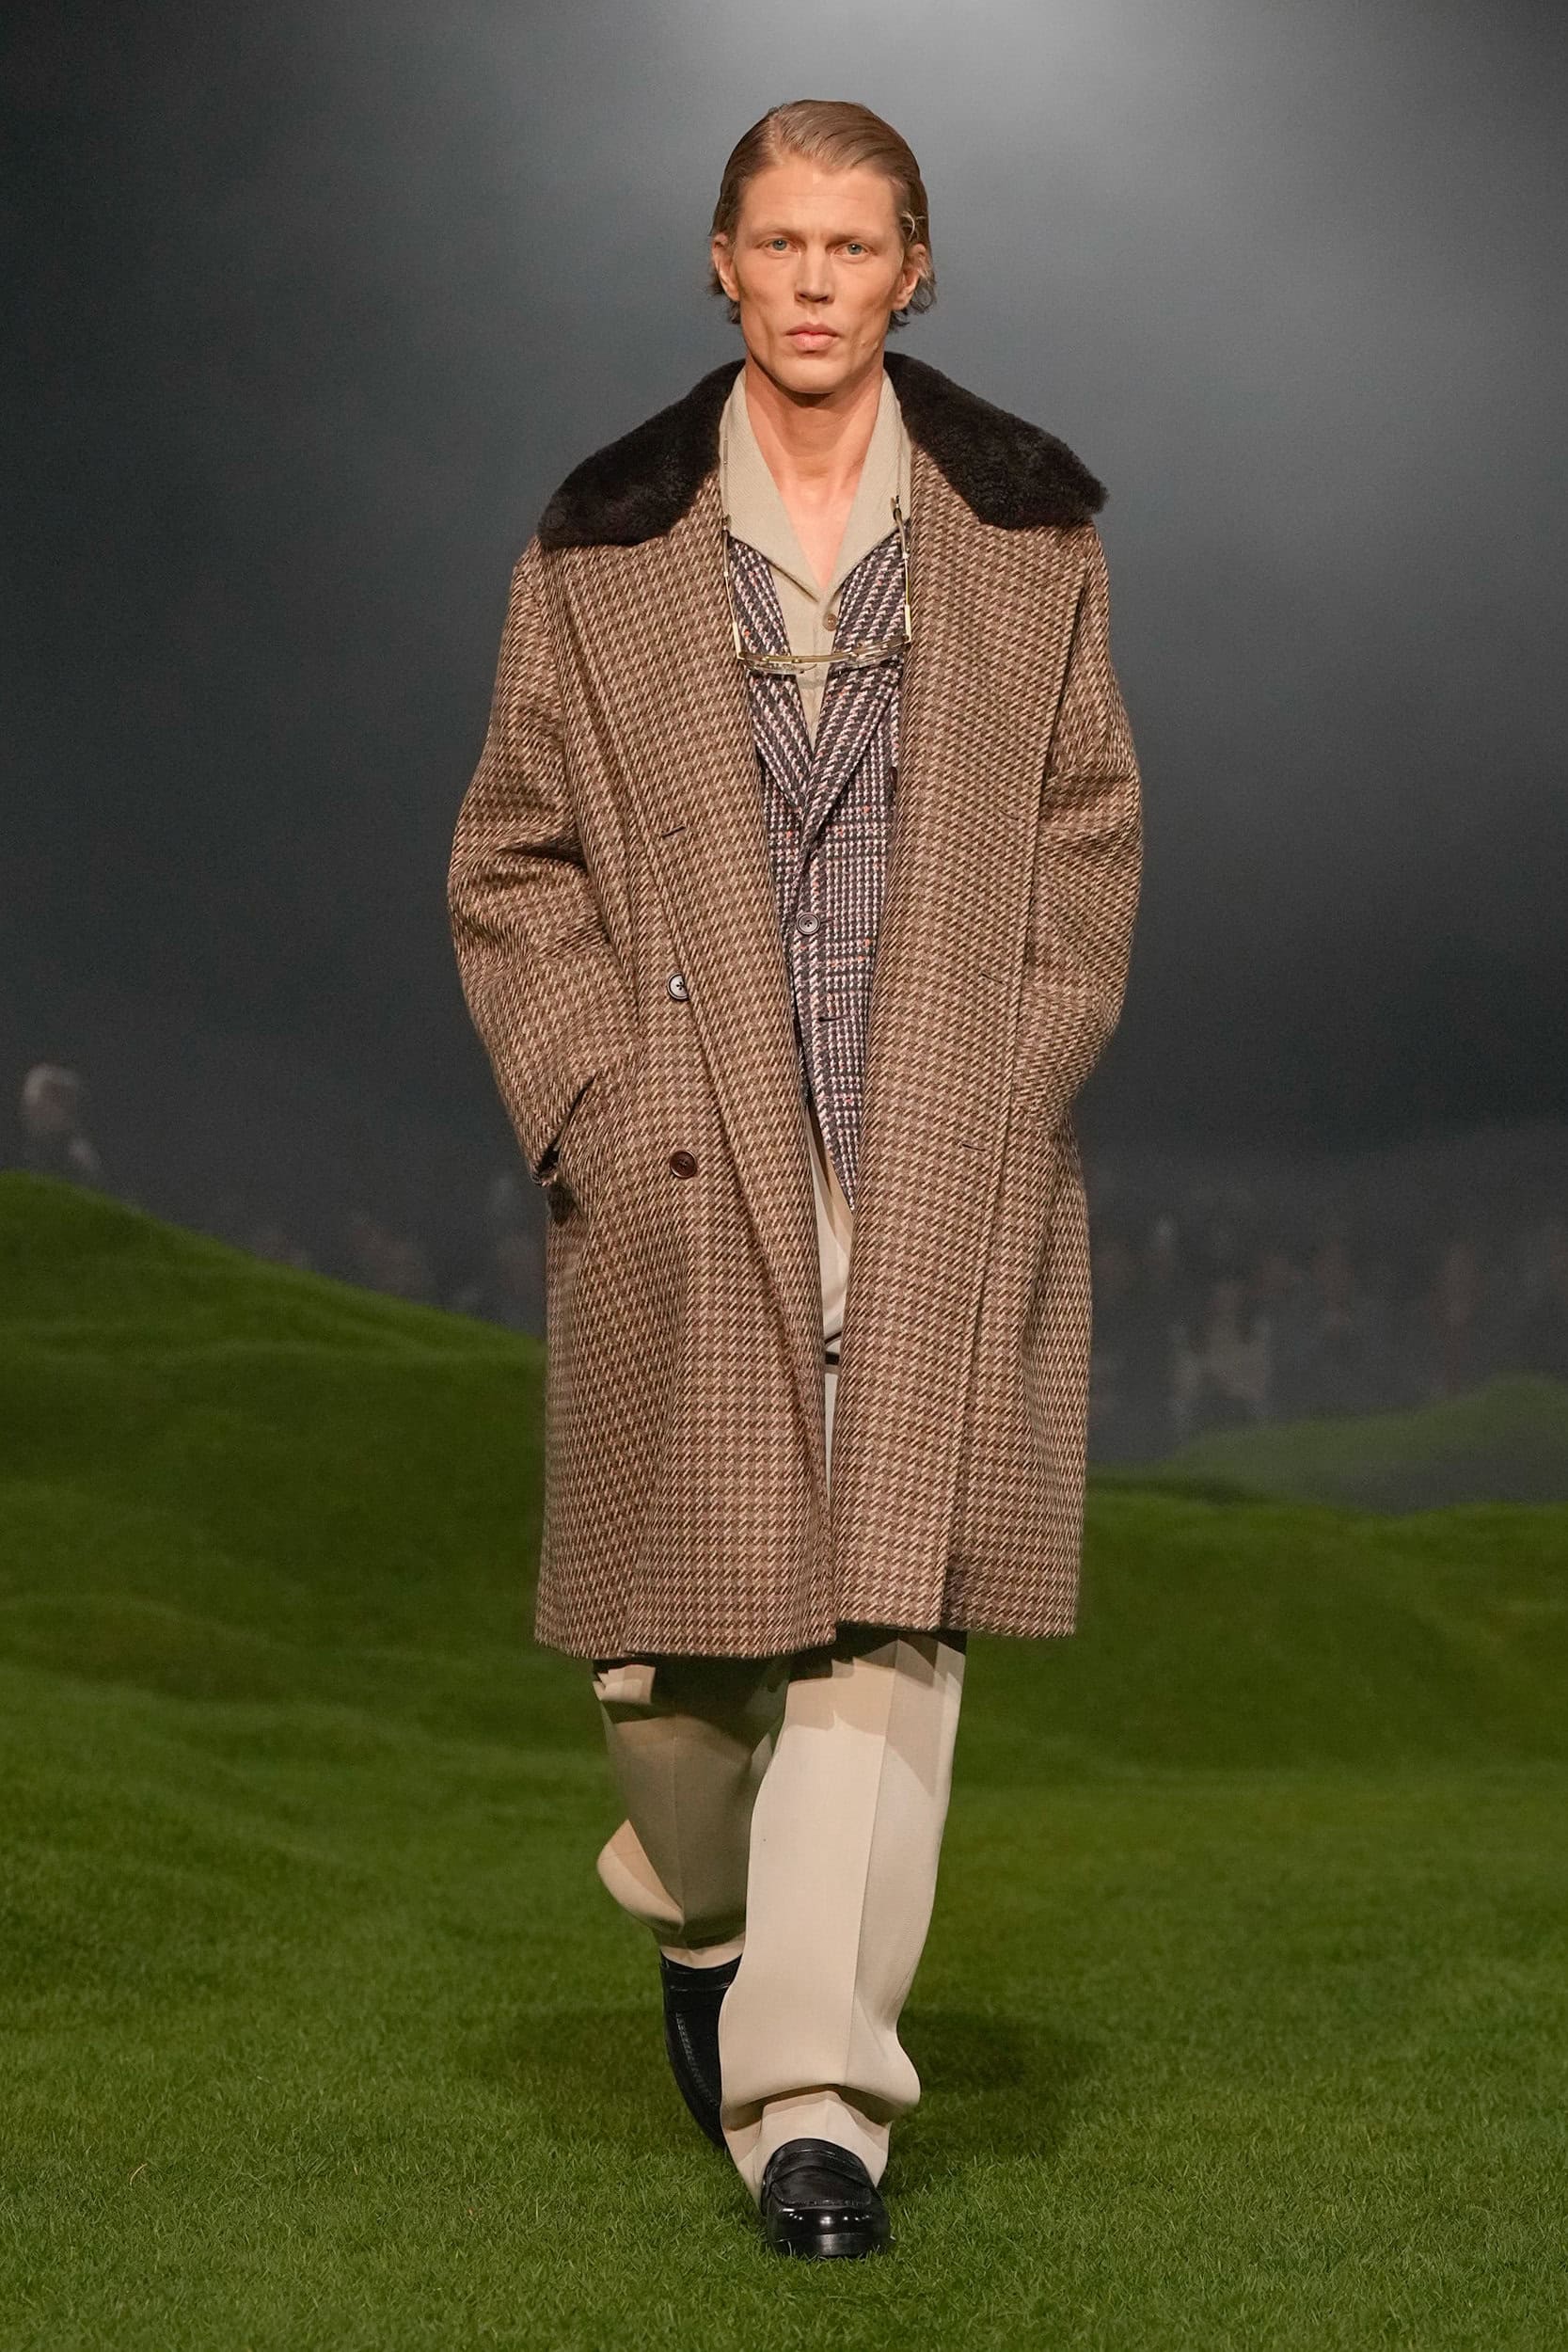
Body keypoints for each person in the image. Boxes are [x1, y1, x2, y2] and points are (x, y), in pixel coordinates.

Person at [447, 97, 1143, 2259]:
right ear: (721, 263)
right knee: (667, 1685)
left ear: (913, 268)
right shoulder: (602, 542)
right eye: (781, 241)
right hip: (688, 1159)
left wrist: (1011, 1080)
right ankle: (698, 1909)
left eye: (856, 243)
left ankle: (816, 2102)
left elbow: (1088, 831)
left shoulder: (1027, 530)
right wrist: (594, 1105)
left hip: (929, 1153)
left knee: (880, 1626)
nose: (818, 280)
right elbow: (513, 860)